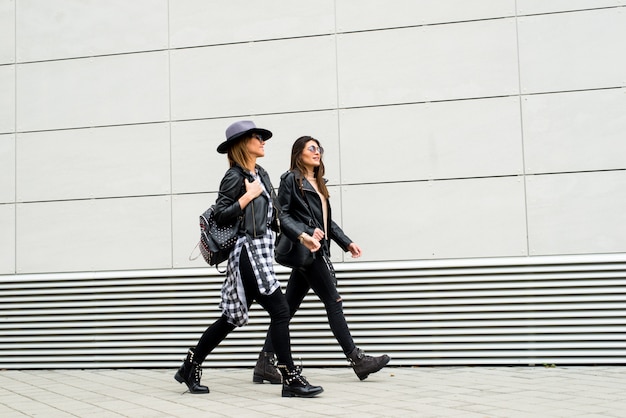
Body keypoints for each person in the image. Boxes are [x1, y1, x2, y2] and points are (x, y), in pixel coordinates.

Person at [175, 121, 323, 398]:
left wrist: (303, 236)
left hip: (262, 250)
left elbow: (279, 215)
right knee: (280, 311)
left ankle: (190, 365)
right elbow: (220, 214)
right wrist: (247, 197)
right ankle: (290, 377)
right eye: (257, 137)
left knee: (230, 318)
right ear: (243, 143)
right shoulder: (234, 176)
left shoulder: (262, 174)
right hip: (247, 252)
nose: (263, 141)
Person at [253, 136, 390, 384]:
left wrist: (346, 242)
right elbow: (280, 215)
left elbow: (326, 222)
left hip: (315, 251)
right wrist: (304, 233)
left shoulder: (318, 183)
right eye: (312, 148)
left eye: (319, 149)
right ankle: (357, 360)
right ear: (299, 153)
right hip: (307, 251)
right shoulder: (290, 179)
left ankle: (265, 361)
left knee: (287, 308)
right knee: (333, 301)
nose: (318, 153)